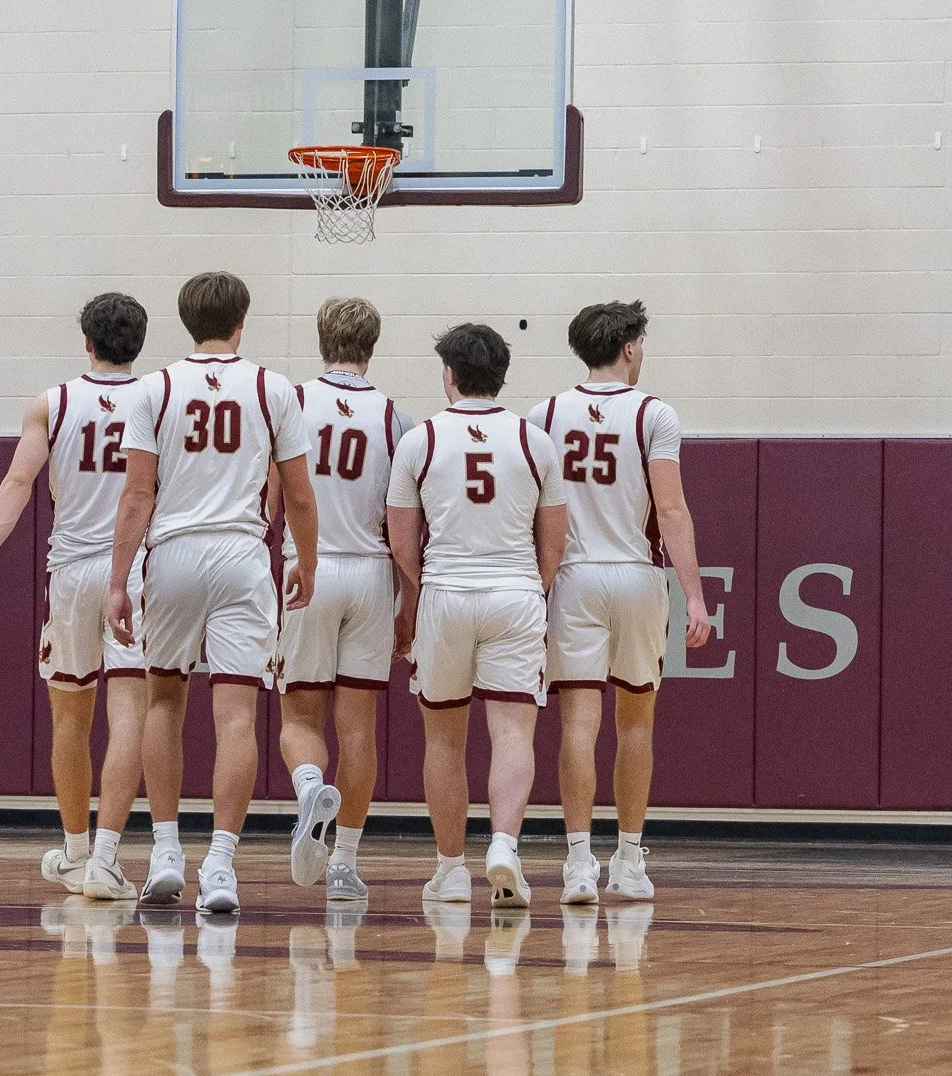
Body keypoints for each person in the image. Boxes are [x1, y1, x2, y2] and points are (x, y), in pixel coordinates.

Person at [109, 271, 319, 916]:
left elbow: (137, 494)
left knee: (163, 701)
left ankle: (166, 852)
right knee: (236, 713)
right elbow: (302, 495)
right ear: (242, 322)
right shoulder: (274, 388)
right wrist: (306, 561)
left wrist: (118, 581)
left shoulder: (153, 389)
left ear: (184, 322)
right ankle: (222, 864)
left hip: (172, 554)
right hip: (242, 555)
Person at [0, 291, 150, 900]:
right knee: (130, 716)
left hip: (70, 572)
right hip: (137, 571)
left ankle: (73, 851)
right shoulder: (160, 400)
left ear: (87, 343)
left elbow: (20, 479)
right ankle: (105, 857)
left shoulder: (53, 403)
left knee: (71, 714)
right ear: (138, 346)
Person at [529, 299, 710, 904]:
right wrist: (695, 595)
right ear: (629, 347)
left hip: (573, 578)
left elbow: (535, 515)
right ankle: (628, 861)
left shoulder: (544, 414)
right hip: (635, 576)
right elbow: (673, 510)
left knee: (578, 726)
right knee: (637, 723)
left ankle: (578, 864)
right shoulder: (655, 414)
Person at [387, 322, 567, 909]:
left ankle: (450, 869)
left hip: (446, 594)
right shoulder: (536, 441)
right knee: (513, 731)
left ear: (450, 374)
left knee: (444, 739)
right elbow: (555, 538)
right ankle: (505, 847)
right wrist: (533, 589)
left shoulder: (421, 440)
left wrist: (416, 593)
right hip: (515, 592)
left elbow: (401, 537)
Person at [277, 296, 413, 901]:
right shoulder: (396, 419)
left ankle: (310, 788)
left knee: (300, 717)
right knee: (358, 730)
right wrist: (409, 597)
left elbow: (275, 499)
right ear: (372, 345)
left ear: (320, 338)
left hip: (309, 567)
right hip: (371, 574)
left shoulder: (292, 402)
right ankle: (345, 865)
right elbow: (404, 518)